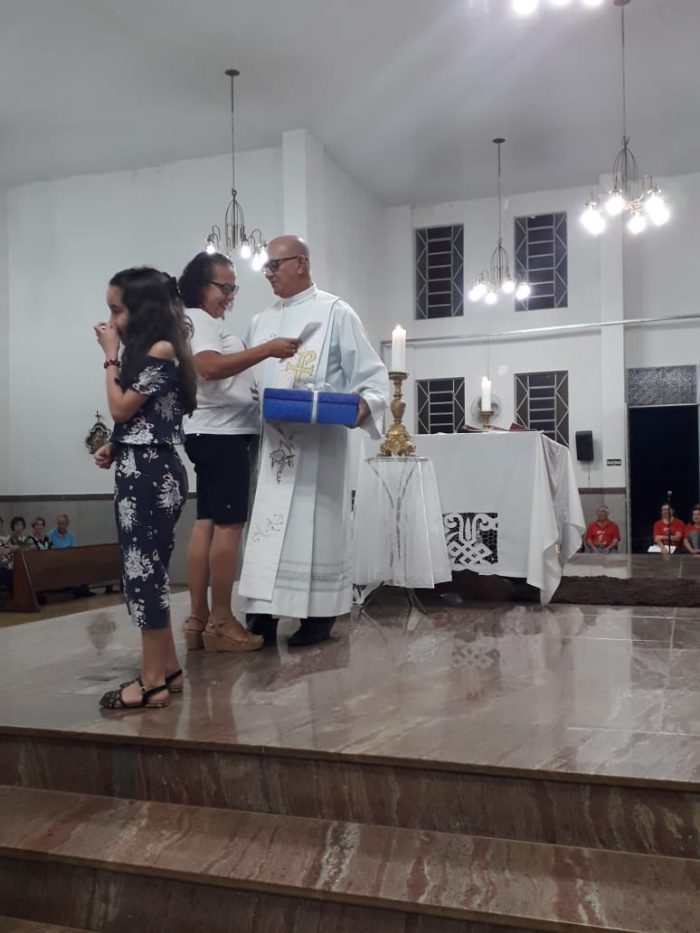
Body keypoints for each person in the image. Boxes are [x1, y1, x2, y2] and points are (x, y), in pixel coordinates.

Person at [240, 235, 390, 647]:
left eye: (274, 265)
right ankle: (262, 610)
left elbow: (372, 378)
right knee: (267, 529)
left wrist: (364, 405)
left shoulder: (336, 312)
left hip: (319, 447)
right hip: (271, 447)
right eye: (266, 267)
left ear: (301, 264)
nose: (268, 273)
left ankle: (319, 615)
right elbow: (248, 382)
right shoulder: (260, 322)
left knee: (316, 525)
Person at [179, 251, 300, 653]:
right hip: (223, 434)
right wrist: (266, 349)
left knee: (207, 522)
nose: (230, 295)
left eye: (234, 287)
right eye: (224, 287)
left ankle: (197, 619)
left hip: (209, 432)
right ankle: (221, 620)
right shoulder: (200, 320)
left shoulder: (194, 321)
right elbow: (209, 367)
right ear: (201, 286)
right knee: (229, 526)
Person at [92, 266, 197, 711]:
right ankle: (168, 668)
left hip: (150, 475)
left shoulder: (160, 348)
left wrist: (109, 355)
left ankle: (151, 682)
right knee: (147, 573)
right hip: (143, 466)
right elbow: (142, 417)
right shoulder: (156, 349)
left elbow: (119, 408)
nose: (110, 321)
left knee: (145, 575)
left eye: (116, 310)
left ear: (142, 308)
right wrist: (117, 446)